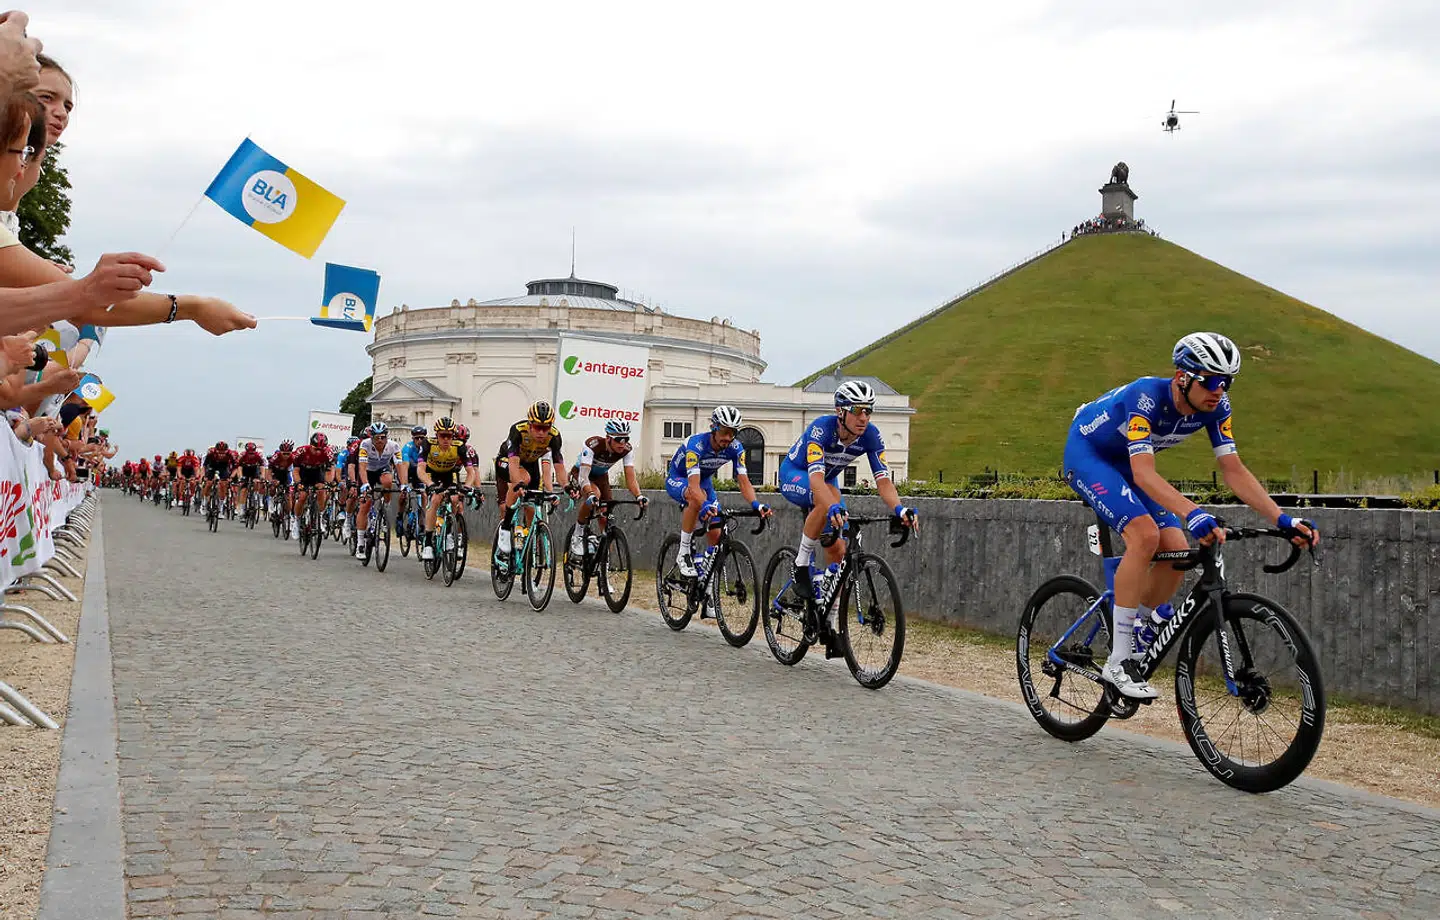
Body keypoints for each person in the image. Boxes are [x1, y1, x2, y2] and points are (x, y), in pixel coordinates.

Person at [1064, 332, 1320, 700]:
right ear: (1184, 377)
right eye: (1212, 381)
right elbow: (1144, 474)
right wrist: (1193, 512)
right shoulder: (1146, 396)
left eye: (1227, 381)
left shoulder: (1217, 407)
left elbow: (1233, 469)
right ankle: (1117, 661)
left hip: (1129, 464)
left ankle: (1142, 627)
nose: (1220, 390)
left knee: (1177, 549)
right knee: (1145, 535)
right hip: (1090, 455)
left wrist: (1284, 520)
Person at [776, 381, 917, 621]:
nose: (863, 417)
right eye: (857, 410)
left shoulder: (871, 435)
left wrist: (900, 508)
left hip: (827, 482)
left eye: (868, 411)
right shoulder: (821, 429)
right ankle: (801, 564)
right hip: (797, 474)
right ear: (840, 411)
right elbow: (817, 481)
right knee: (824, 502)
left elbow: (883, 482)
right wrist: (831, 505)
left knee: (838, 550)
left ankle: (829, 617)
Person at [664, 405, 771, 578]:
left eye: (733, 432)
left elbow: (744, 482)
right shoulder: (696, 445)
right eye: (724, 431)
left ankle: (708, 583)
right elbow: (693, 486)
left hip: (704, 483)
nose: (728, 437)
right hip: (679, 479)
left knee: (716, 530)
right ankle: (683, 553)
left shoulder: (736, 448)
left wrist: (756, 504)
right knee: (694, 498)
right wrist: (704, 504)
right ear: (714, 428)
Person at [493, 401, 564, 560]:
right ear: (530, 425)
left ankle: (533, 546)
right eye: (537, 427)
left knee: (531, 507)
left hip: (531, 465)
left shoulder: (554, 436)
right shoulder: (518, 430)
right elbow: (513, 464)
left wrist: (567, 487)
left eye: (545, 428)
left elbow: (559, 467)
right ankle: (505, 529)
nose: (541, 432)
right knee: (522, 479)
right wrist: (518, 484)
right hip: (507, 461)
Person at [567, 418, 647, 557]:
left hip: (601, 477)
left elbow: (631, 479)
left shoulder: (626, 450)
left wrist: (639, 496)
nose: (623, 443)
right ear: (608, 438)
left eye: (626, 439)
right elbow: (583, 477)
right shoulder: (594, 444)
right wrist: (590, 493)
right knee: (595, 495)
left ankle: (605, 559)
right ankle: (578, 533)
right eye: (618, 439)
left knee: (605, 514)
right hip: (581, 473)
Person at [414, 416, 474, 561]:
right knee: (435, 499)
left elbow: (471, 471)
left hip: (448, 475)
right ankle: (428, 542)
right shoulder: (428, 443)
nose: (446, 440)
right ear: (437, 435)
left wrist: (467, 487)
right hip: (432, 475)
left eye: (449, 436)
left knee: (455, 500)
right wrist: (430, 485)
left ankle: (448, 535)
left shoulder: (459, 446)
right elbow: (420, 470)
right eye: (443, 436)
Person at [354, 422, 400, 559]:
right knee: (365, 504)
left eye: (383, 437)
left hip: (382, 469)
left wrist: (403, 484)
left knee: (388, 481)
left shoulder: (394, 446)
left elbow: (400, 466)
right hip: (367, 472)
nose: (380, 440)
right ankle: (360, 543)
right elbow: (361, 467)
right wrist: (365, 484)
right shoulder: (365, 445)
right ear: (371, 438)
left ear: (387, 437)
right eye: (377, 438)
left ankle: (384, 509)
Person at [290, 433, 334, 538]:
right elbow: (295, 471)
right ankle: (296, 521)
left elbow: (330, 470)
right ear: (310, 445)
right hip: (303, 473)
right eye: (316, 449)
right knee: (302, 496)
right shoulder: (301, 451)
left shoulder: (328, 453)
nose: (318, 451)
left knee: (321, 491)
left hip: (317, 472)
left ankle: (320, 517)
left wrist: (327, 483)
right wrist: (298, 483)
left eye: (321, 449)